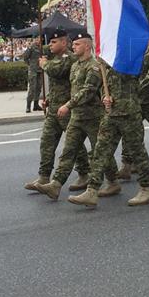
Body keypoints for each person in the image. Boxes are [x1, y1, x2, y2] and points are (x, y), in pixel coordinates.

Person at [34, 32, 117, 200]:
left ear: (87, 46)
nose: (74, 46)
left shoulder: (94, 66)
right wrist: (50, 99)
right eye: (74, 44)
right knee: (68, 151)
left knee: (100, 152)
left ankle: (113, 181)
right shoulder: (76, 66)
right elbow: (70, 88)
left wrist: (67, 105)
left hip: (93, 117)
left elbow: (88, 91)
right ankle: (56, 184)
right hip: (77, 117)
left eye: (77, 44)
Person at [68, 60, 149, 208]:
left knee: (137, 152)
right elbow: (105, 86)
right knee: (100, 151)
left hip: (129, 113)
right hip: (111, 114)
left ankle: (146, 189)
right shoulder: (106, 66)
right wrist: (105, 97)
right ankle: (92, 191)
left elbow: (136, 82)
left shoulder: (128, 62)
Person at [23, 29, 90, 192]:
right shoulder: (54, 58)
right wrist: (47, 99)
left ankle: (84, 173)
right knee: (46, 142)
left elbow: (57, 71)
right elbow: (54, 83)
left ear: (64, 43)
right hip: (54, 108)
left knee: (74, 144)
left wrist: (44, 64)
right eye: (50, 42)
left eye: (54, 42)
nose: (50, 45)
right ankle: (44, 176)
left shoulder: (70, 57)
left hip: (67, 108)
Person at [118, 37, 149, 178]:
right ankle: (127, 166)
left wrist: (133, 89)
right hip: (136, 101)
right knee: (130, 133)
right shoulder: (134, 52)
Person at [22, 38, 43, 112]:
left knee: (38, 88)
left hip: (40, 70)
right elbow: (25, 57)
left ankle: (36, 105)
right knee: (32, 89)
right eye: (37, 39)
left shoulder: (41, 48)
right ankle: (28, 106)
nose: (38, 41)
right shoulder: (31, 48)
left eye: (39, 39)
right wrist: (30, 65)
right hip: (33, 70)